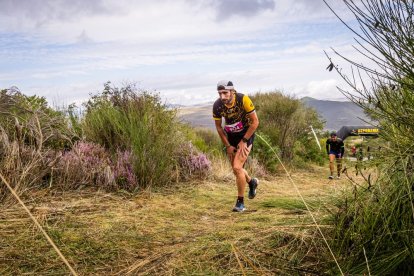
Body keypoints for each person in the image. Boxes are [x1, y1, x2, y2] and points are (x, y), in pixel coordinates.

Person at [213, 80, 260, 212]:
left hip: (246, 135)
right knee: (236, 170)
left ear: (232, 91)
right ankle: (252, 182)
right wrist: (227, 145)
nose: (222, 97)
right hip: (231, 137)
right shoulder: (217, 105)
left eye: (225, 93)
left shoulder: (243, 99)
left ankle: (240, 203)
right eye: (220, 93)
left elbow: (255, 122)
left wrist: (244, 141)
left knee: (237, 167)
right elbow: (218, 127)